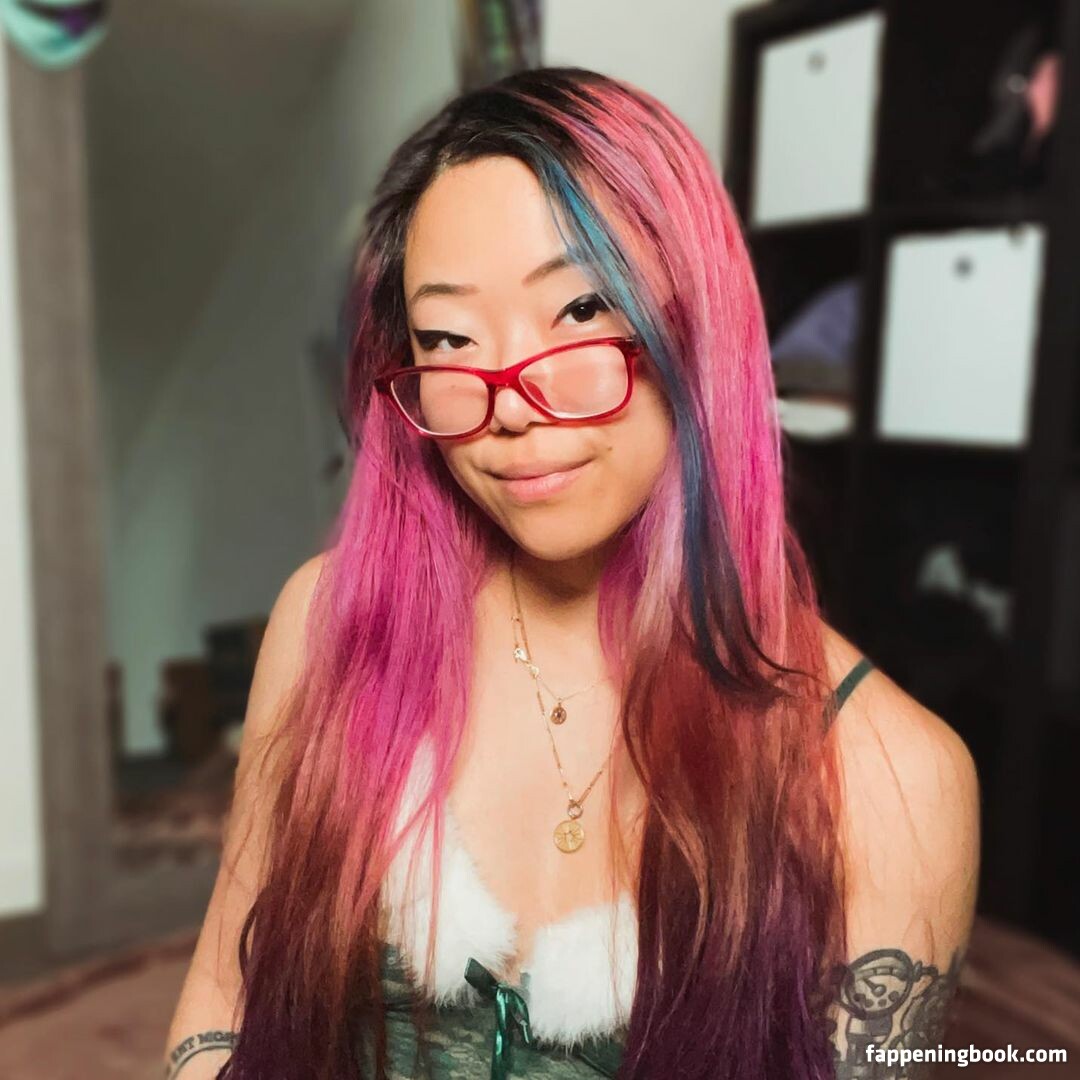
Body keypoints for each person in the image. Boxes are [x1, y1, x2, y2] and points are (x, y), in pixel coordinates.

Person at [163, 67, 979, 1080]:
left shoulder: (891, 779)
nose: (510, 402)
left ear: (700, 322)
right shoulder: (327, 622)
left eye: (582, 308)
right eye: (449, 338)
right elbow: (223, 991)